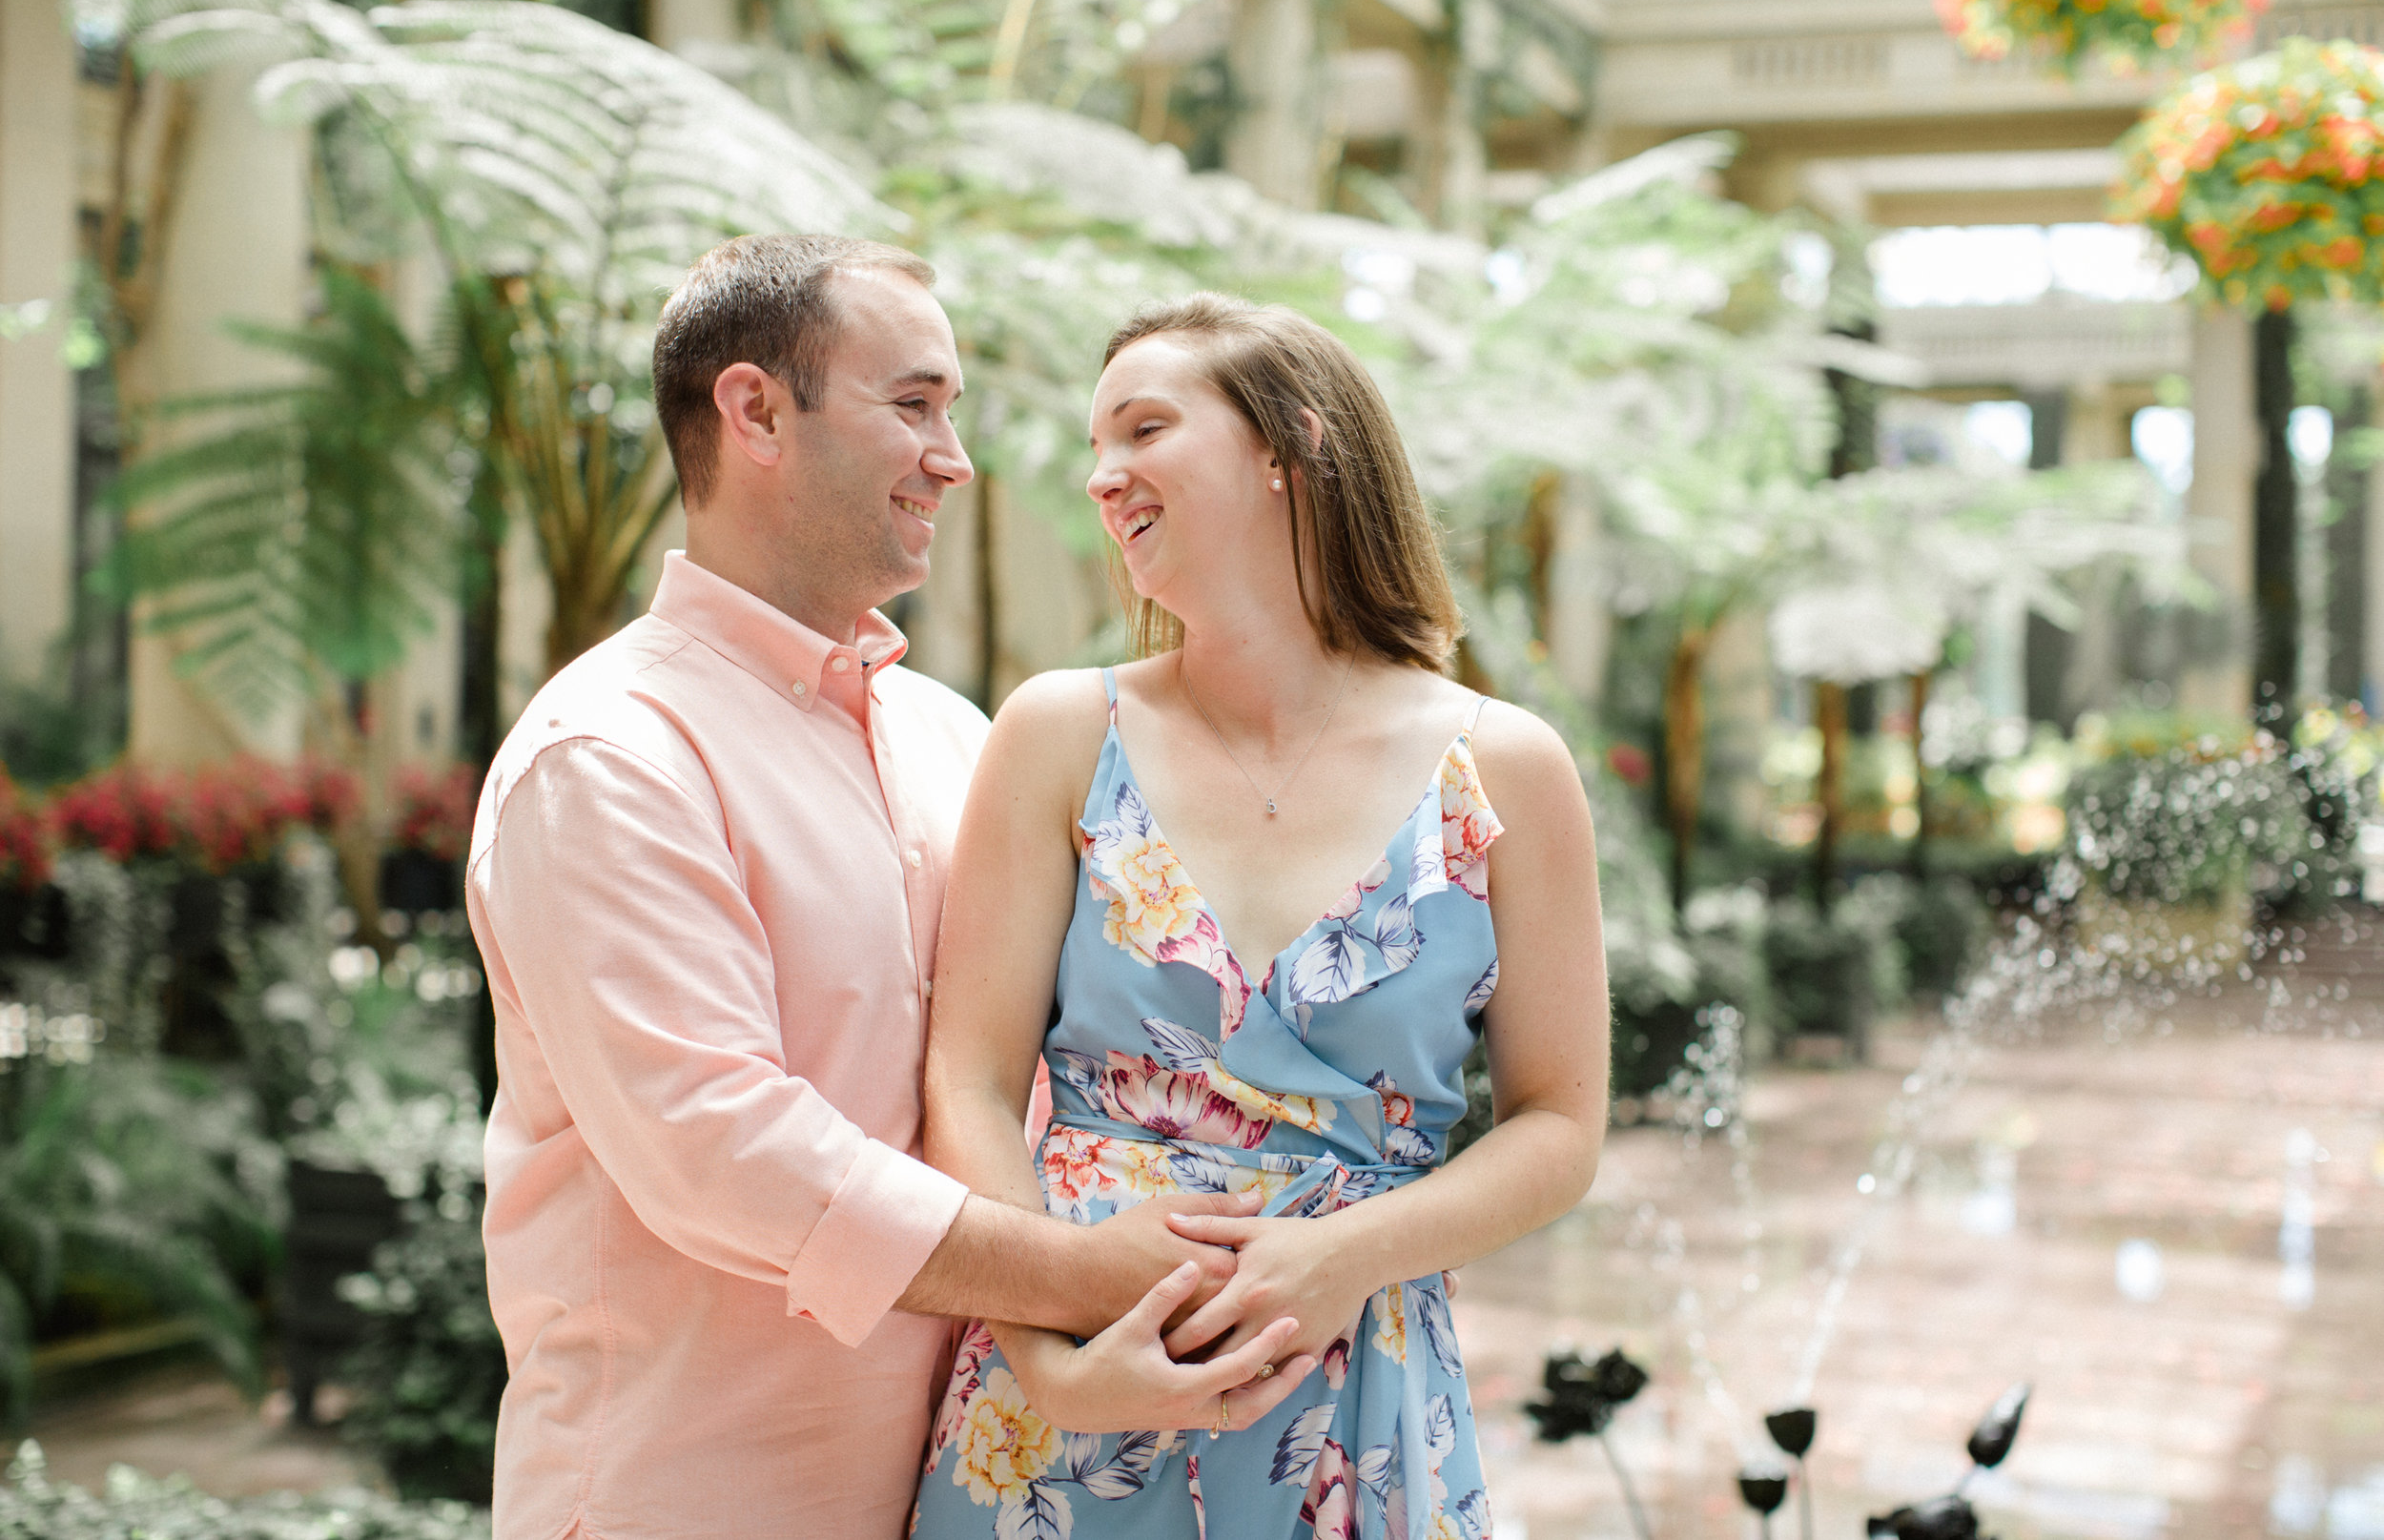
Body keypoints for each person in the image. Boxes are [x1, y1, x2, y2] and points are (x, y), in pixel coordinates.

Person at [466, 238, 1311, 1540]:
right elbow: (720, 1147)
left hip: (967, 1487)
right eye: (913, 404)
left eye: (952, 413)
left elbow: (1034, 1083)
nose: (954, 456)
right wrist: (1084, 1275)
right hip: (691, 1499)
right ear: (753, 411)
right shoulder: (611, 758)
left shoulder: (951, 737)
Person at [911, 294, 1612, 1540]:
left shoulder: (1505, 767)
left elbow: (1559, 1123)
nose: (1099, 477)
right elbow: (967, 1079)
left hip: (1354, 1398)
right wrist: (1049, 1357)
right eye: (1094, 447)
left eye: (1142, 430)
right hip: (1060, 1392)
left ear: (1288, 447)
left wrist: (1347, 1255)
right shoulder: (1063, 733)